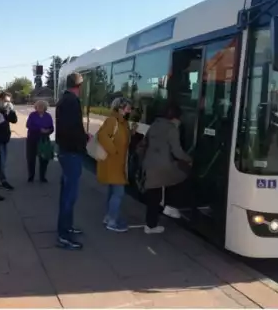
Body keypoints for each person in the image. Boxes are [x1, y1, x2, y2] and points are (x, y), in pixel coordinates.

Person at [139, 103, 192, 234]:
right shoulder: (171, 129)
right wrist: (189, 159)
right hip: (163, 167)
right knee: (182, 176)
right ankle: (170, 206)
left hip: (149, 164)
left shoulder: (154, 125)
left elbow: (145, 143)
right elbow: (177, 152)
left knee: (153, 194)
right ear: (175, 118)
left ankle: (150, 224)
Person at [55, 73, 89, 250]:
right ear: (79, 86)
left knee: (67, 194)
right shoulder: (72, 102)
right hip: (71, 153)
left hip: (65, 151)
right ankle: (64, 236)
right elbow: (71, 129)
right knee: (69, 196)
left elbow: (67, 128)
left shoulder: (63, 100)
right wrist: (84, 139)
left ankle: (66, 227)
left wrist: (82, 136)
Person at [97, 97, 134, 233]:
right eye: (128, 107)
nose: (130, 109)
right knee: (118, 193)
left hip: (117, 164)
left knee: (113, 191)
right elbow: (102, 136)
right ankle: (112, 221)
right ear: (120, 108)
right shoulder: (113, 121)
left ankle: (109, 217)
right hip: (113, 163)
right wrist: (115, 151)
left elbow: (120, 137)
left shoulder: (122, 122)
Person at [26, 100, 54, 183]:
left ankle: (42, 176)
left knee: (44, 159)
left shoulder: (48, 116)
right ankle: (31, 176)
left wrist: (48, 131)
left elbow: (52, 127)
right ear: (36, 107)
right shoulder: (32, 115)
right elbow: (28, 125)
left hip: (44, 140)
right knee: (31, 158)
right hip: (32, 139)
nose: (40, 108)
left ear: (45, 107)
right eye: (39, 106)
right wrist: (39, 130)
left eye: (42, 106)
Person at [0, 91, 17, 190]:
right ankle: (3, 180)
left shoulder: (6, 109)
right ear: (0, 100)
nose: (7, 103)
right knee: (1, 162)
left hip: (4, 139)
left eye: (9, 101)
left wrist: (11, 110)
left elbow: (14, 120)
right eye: (5, 101)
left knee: (0, 162)